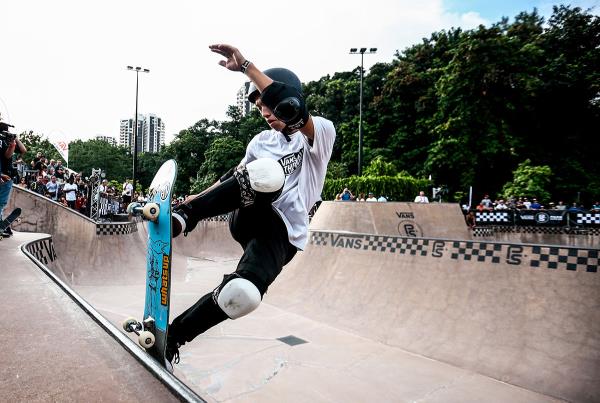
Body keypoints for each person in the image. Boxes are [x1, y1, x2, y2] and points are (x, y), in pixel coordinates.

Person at [164, 43, 336, 370]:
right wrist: (191, 204)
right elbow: (233, 177)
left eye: (269, 106)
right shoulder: (260, 142)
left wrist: (246, 67)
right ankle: (185, 219)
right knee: (265, 174)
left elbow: (290, 106)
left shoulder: (320, 134)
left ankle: (173, 337)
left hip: (282, 238)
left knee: (243, 294)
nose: (266, 113)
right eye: (260, 108)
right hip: (250, 215)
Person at [0, 123, 27, 238]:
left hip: (7, 176)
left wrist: (14, 139)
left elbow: (23, 150)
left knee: (1, 204)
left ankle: (2, 226)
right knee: (0, 203)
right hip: (3, 175)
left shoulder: (6, 141)